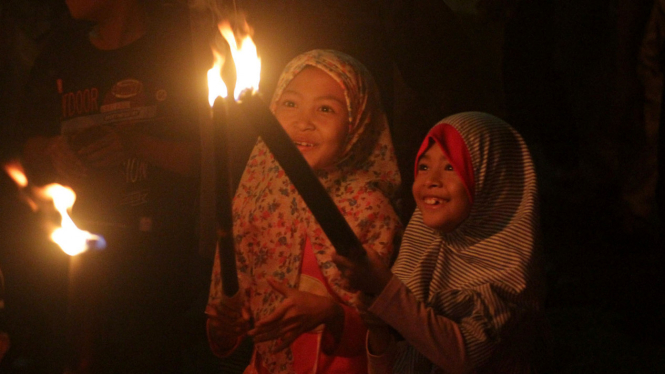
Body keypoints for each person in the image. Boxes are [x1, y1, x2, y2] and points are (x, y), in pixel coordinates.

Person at [17, 0, 204, 372]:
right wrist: (53, 150)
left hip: (158, 266)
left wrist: (134, 144)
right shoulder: (61, 52)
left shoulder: (178, 53)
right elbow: (27, 150)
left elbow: (210, 163)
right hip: (73, 255)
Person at [205, 49, 402, 373]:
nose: (303, 122)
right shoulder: (258, 197)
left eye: (325, 109)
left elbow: (392, 330)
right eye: (290, 103)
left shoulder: (370, 208)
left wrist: (331, 314)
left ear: (359, 121)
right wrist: (227, 322)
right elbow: (227, 333)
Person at [334, 112, 548, 373]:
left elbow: (462, 356)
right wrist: (378, 326)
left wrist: (385, 288)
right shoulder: (423, 251)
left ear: (494, 182)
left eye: (451, 167)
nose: (430, 180)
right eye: (424, 167)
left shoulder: (507, 276)